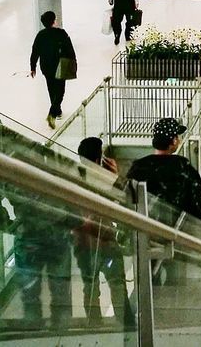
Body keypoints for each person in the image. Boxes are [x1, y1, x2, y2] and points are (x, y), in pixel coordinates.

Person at [0, 180, 74, 324]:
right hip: (58, 234)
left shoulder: (4, 160)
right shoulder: (50, 158)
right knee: (62, 299)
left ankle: (34, 334)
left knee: (30, 301)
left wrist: (8, 225)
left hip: (27, 235)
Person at [74, 137, 130, 323]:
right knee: (116, 283)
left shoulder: (73, 177)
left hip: (82, 244)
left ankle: (94, 325)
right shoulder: (105, 179)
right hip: (106, 241)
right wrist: (117, 176)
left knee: (90, 286)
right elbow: (128, 199)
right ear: (99, 159)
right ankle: (125, 324)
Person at [126, 117, 201, 229]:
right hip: (179, 232)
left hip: (145, 230)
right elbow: (200, 203)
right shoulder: (182, 166)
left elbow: (127, 196)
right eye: (178, 136)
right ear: (174, 141)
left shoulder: (138, 167)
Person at [30, 11, 76, 130]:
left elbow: (35, 51)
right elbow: (70, 49)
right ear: (54, 21)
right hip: (60, 65)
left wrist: (33, 67)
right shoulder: (61, 33)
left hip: (46, 67)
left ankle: (57, 109)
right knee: (60, 90)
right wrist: (73, 61)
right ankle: (52, 113)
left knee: (51, 88)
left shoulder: (40, 35)